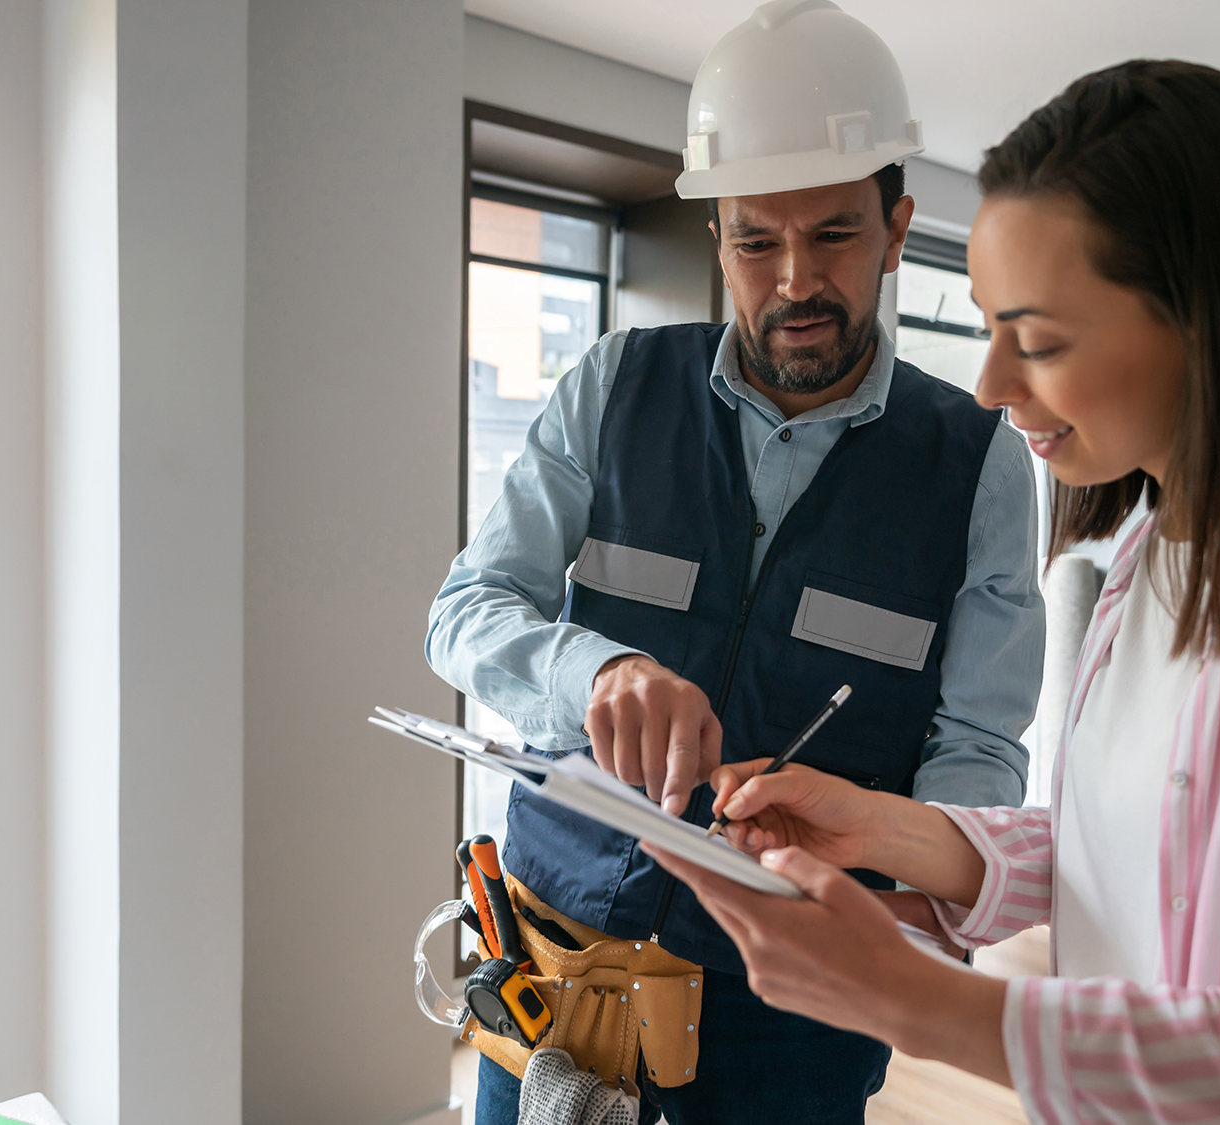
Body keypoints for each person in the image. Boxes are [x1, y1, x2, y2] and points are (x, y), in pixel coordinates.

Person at [648, 60, 1220, 1124]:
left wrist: (918, 1003)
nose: (994, 387)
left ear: (1211, 313)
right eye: (990, 329)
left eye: (1037, 341)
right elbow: (1144, 850)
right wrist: (887, 832)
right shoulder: (1146, 554)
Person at [424, 3, 1045, 1122]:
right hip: (558, 953)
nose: (794, 280)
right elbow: (467, 611)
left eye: (835, 236)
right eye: (756, 240)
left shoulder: (980, 460)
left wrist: (916, 897)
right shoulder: (609, 389)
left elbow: (979, 743)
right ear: (716, 235)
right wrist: (593, 672)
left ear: (896, 229)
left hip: (797, 992)